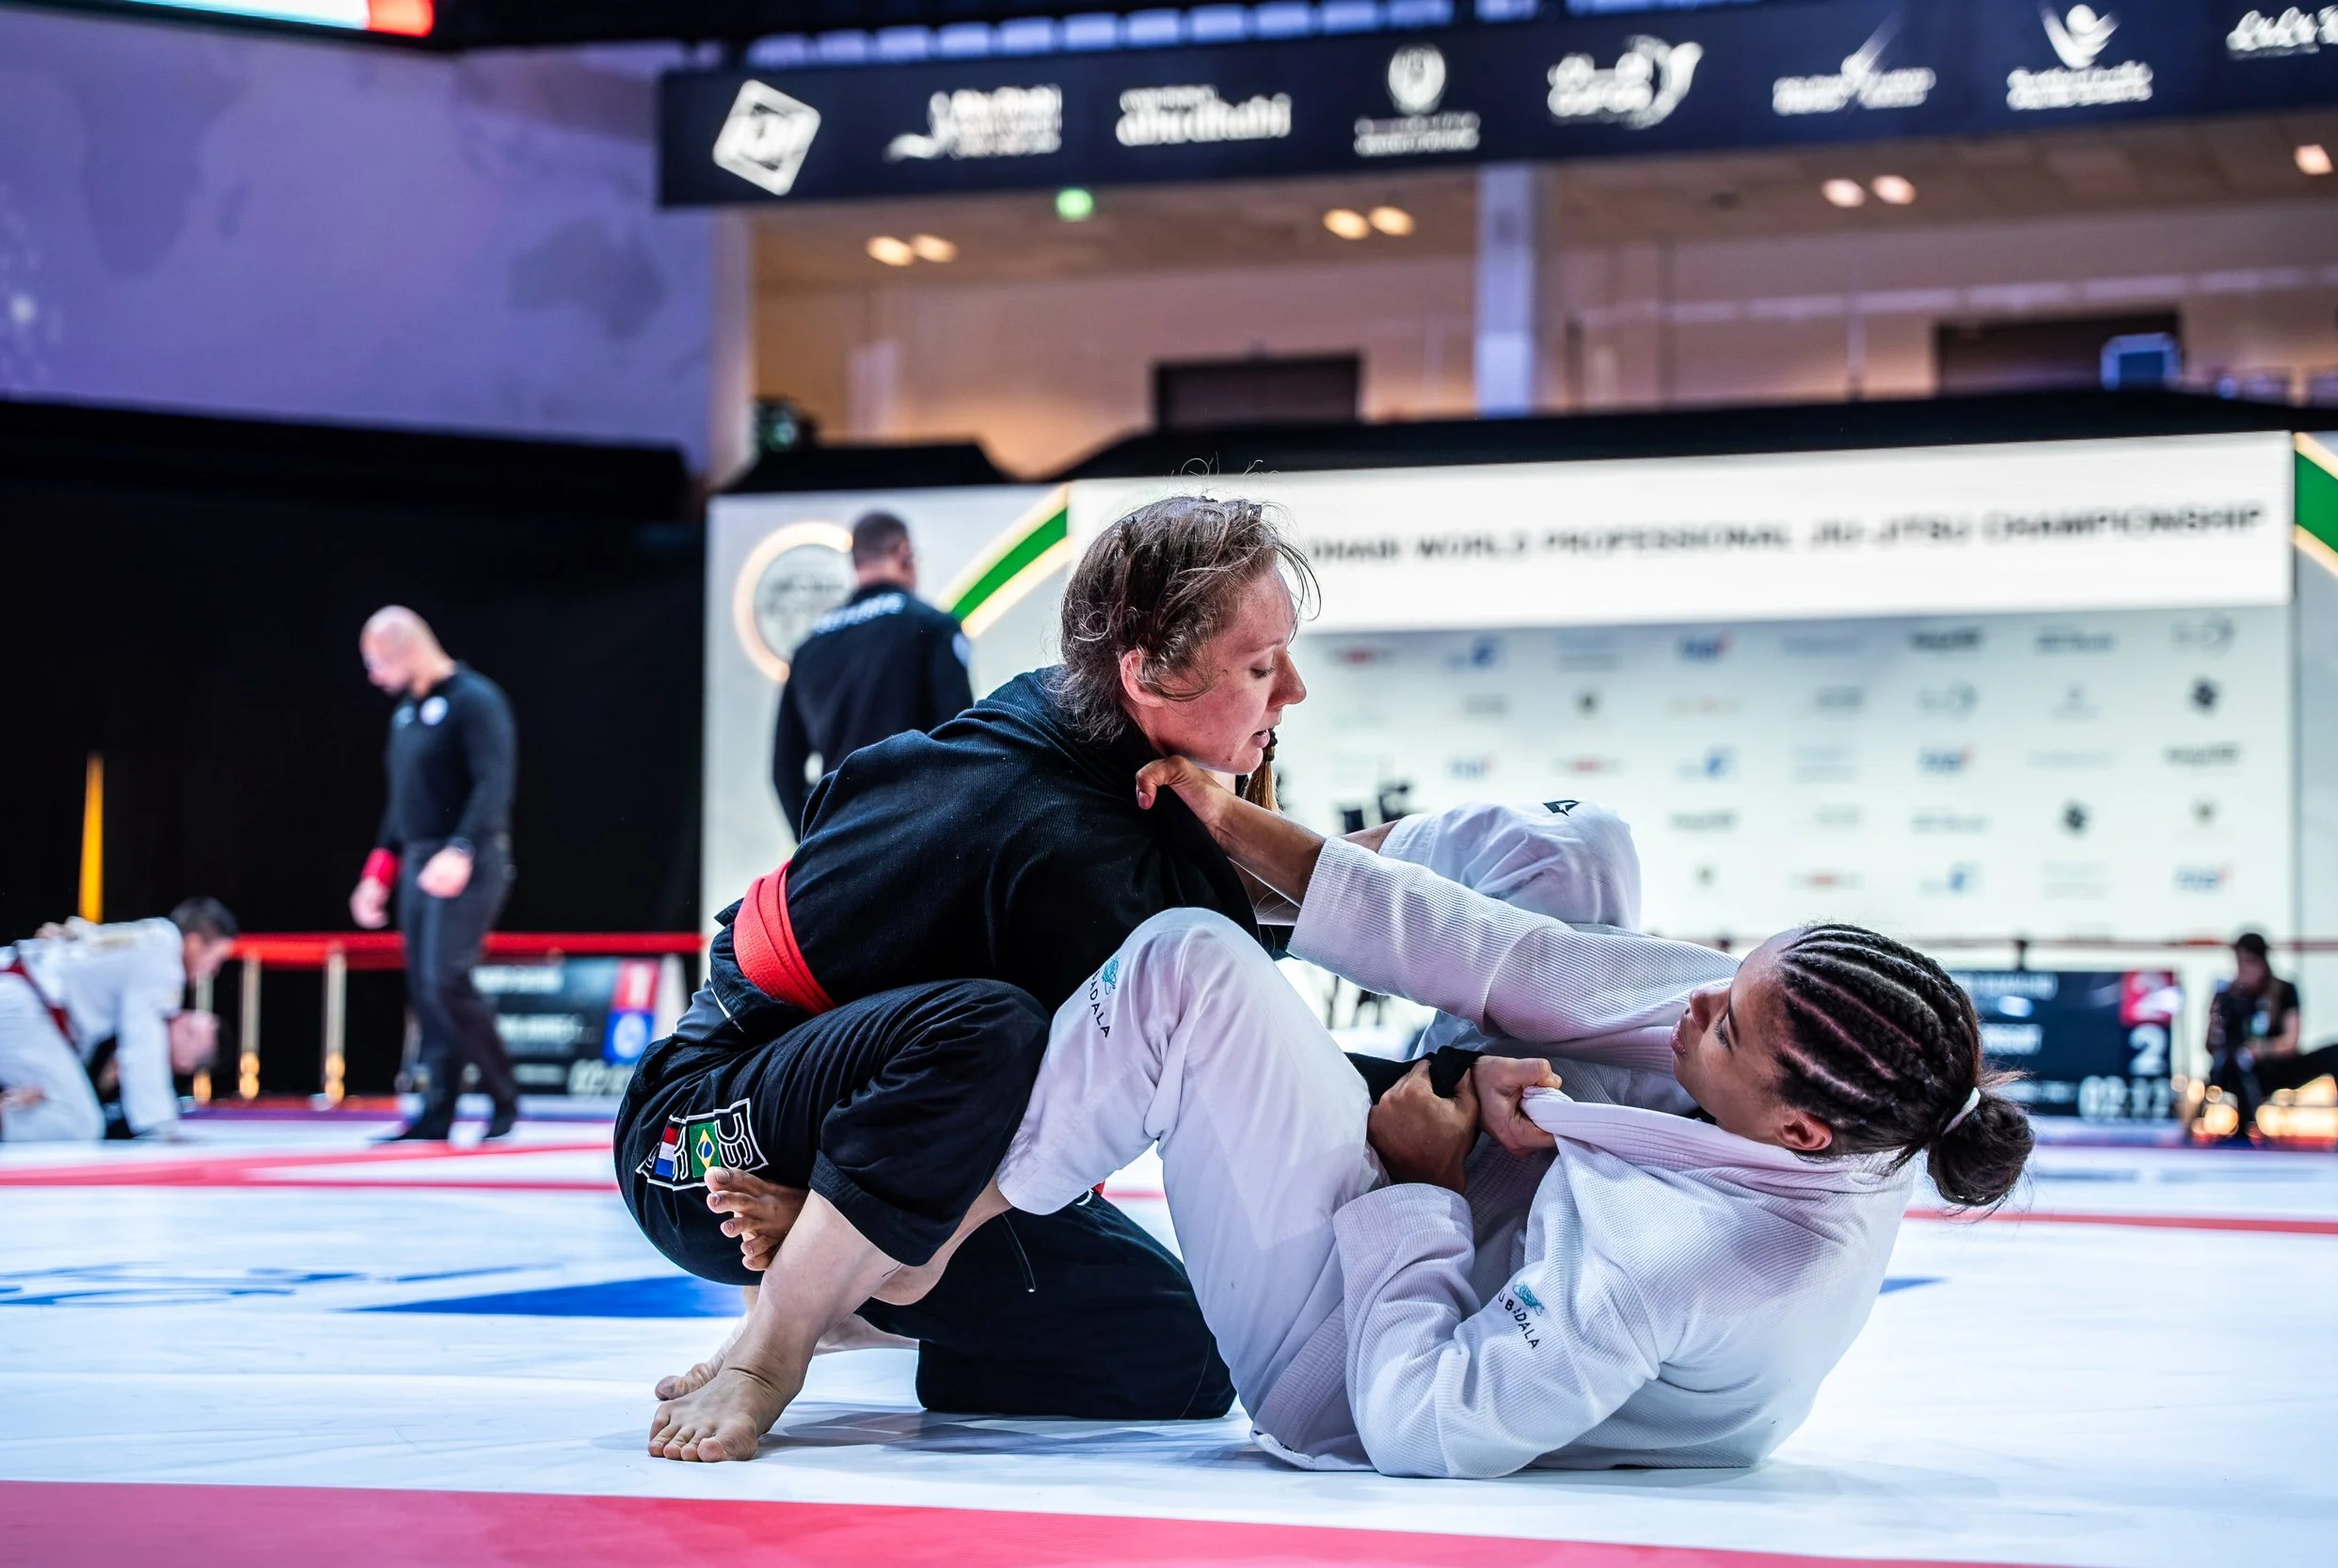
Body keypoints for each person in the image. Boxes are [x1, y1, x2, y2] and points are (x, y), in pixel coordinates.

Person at [650, 766, 2034, 1473]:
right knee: (1569, 844)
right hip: (1522, 1204)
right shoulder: (1802, 1078)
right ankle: (1255, 900)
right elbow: (1517, 962)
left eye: (1725, 1024)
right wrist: (1241, 827)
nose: (1691, 1009)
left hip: (1372, 1368)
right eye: (1726, 980)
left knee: (1189, 968)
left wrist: (1421, 1184)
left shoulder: (1689, 1257)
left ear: (1801, 1134)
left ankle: (907, 1246)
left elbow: (1430, 1420)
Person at [626, 496, 1317, 1450]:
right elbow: (1258, 1063)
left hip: (876, 1131)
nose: (1293, 693)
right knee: (983, 1027)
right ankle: (772, 1339)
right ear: (1147, 669)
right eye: (1259, 666)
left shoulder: (1079, 722)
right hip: (693, 1143)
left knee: (1182, 1357)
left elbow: (1272, 898)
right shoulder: (1062, 840)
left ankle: (849, 1283)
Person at [347, 607, 520, 1142]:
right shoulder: (405, 714)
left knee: (447, 978)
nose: (373, 676)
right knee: (425, 988)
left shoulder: (475, 701)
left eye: (376, 662)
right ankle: (438, 1109)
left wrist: (463, 848)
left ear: (404, 650)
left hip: (468, 856)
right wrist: (380, 869)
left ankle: (502, 1095)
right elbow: (402, 803)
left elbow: (494, 783)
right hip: (419, 859)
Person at [771, 512, 975, 833]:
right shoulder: (932, 626)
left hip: (840, 838)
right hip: (913, 833)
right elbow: (960, 738)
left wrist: (813, 842)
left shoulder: (808, 647)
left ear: (856, 563)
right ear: (903, 553)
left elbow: (784, 768)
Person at [0, 898, 238, 1143]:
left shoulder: (150, 937)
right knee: (78, 1123)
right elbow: (143, 1044)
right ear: (196, 944)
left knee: (63, 1109)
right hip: (22, 1005)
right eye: (216, 959)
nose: (213, 971)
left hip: (17, 989)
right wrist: (159, 1127)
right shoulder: (163, 961)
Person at [2206, 931, 2338, 1148]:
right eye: (2241, 962)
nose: (2245, 969)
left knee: (2337, 1052)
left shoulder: (2283, 990)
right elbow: (2211, 1045)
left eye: (2250, 962)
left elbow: (2290, 1042)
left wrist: (2262, 1049)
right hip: (2237, 1070)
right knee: (2234, 1062)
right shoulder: (2227, 996)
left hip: (2276, 1066)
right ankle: (2244, 1125)